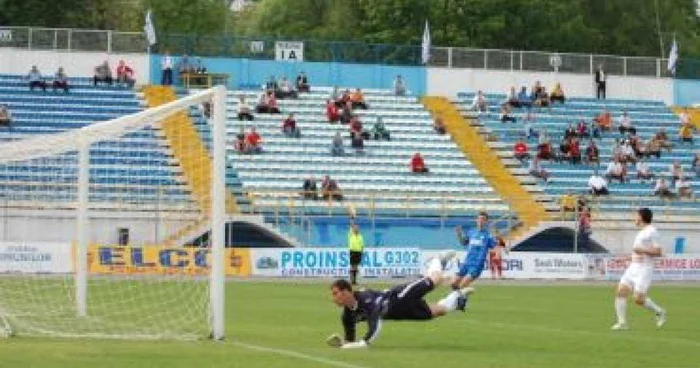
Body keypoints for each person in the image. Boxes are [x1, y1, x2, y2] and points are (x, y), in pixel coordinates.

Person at [327, 256, 472, 349]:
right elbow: (350, 341)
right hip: (399, 312)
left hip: (400, 296)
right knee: (439, 311)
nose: (333, 298)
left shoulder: (365, 297)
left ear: (347, 291)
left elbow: (375, 323)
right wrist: (343, 344)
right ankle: (457, 297)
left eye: (335, 293)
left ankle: (437, 260)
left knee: (437, 279)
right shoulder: (346, 316)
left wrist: (365, 342)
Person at [611, 208, 666, 331]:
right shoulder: (641, 232)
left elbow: (658, 251)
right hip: (633, 267)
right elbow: (637, 251)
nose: (634, 218)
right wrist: (625, 258)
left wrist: (642, 250)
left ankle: (660, 312)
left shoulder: (652, 231)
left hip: (644, 269)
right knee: (620, 292)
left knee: (638, 299)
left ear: (642, 217)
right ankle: (622, 323)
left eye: (636, 216)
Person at [452, 212, 498, 308]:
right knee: (453, 283)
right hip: (466, 263)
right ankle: (463, 298)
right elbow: (464, 243)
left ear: (486, 221)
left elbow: (496, 245)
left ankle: (458, 302)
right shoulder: (471, 232)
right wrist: (459, 234)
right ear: (476, 220)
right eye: (479, 219)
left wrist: (497, 239)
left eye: (483, 219)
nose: (480, 221)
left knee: (462, 284)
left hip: (477, 265)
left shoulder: (488, 235)